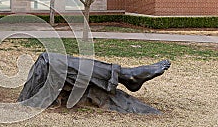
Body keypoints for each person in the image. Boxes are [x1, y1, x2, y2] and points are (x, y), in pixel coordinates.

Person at [18, 52, 171, 113]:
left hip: (36, 83)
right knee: (48, 61)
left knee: (52, 61)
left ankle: (124, 75)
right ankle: (124, 75)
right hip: (31, 95)